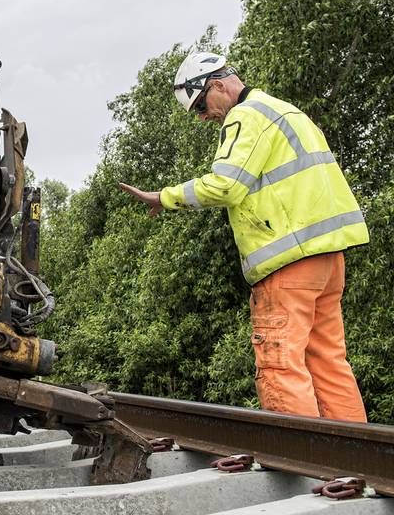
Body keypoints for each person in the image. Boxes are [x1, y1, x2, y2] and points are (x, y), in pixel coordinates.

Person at [119, 51, 368, 422]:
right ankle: (354, 460)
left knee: (280, 362)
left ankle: (300, 463)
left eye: (201, 104)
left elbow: (226, 187)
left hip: (288, 262)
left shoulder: (246, 116)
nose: (203, 116)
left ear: (218, 84)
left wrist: (165, 197)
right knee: (328, 359)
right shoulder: (287, 111)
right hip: (328, 260)